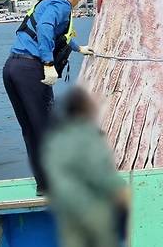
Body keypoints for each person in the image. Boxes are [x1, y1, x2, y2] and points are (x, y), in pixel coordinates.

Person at [3, 0, 90, 195]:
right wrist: (48, 63)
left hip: (12, 68)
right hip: (30, 70)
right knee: (46, 127)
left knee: (31, 129)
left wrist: (78, 48)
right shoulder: (61, 6)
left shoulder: (46, 2)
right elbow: (44, 28)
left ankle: (45, 185)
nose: (79, 2)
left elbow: (59, 37)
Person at [43, 87, 130, 247]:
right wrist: (121, 190)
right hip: (91, 209)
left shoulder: (55, 141)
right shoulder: (88, 136)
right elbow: (99, 174)